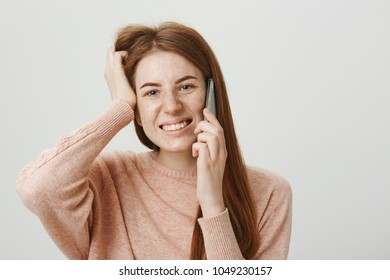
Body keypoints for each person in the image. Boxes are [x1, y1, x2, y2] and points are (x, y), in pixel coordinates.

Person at [16, 22, 292, 260]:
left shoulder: (268, 193)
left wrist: (212, 202)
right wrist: (120, 107)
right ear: (136, 110)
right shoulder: (108, 177)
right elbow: (38, 188)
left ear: (211, 94)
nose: (171, 106)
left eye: (185, 87)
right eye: (151, 93)